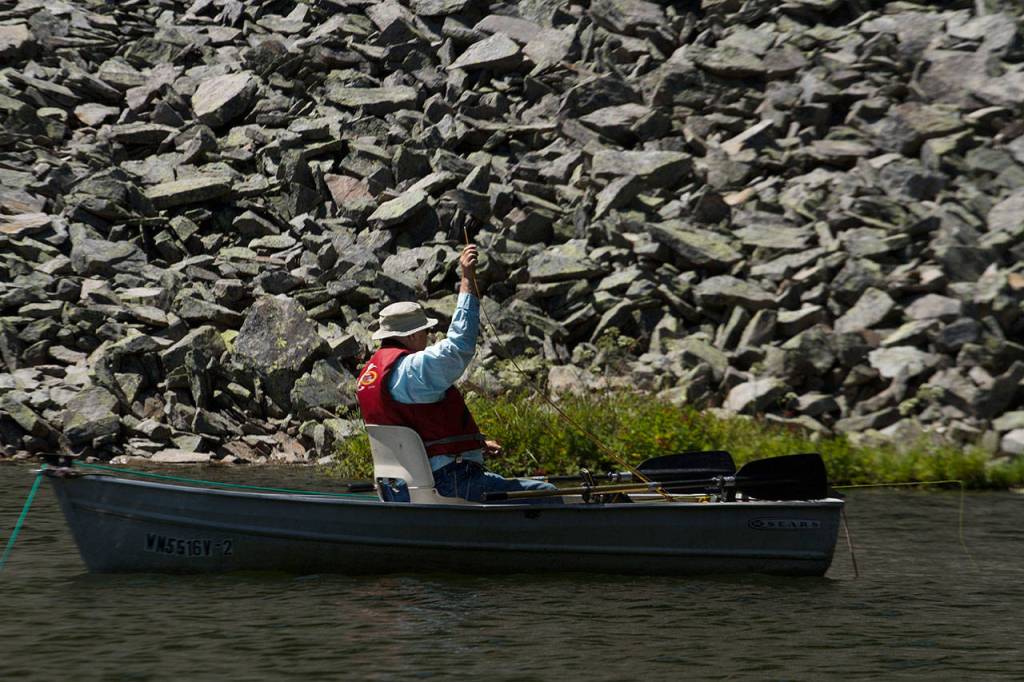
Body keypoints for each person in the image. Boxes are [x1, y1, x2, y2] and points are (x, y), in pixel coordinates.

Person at [355, 244, 560, 504]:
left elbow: (413, 428)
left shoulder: (370, 375)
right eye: (426, 333)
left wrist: (476, 444)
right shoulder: (412, 370)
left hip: (400, 489)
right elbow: (459, 345)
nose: (428, 338)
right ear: (414, 334)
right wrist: (466, 278)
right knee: (548, 494)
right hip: (448, 482)